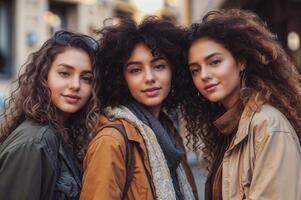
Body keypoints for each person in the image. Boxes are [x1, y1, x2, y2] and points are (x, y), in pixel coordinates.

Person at [182, 9, 301, 200]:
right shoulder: (230, 127)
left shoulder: (268, 125)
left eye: (215, 62)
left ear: (241, 62)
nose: (204, 75)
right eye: (195, 70)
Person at [80, 17, 198, 200]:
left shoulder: (168, 131)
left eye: (159, 66)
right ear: (121, 78)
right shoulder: (111, 141)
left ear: (173, 70)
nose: (149, 77)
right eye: (135, 70)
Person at [0, 30, 99, 200]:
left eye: (86, 78)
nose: (75, 85)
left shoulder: (64, 133)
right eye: (64, 73)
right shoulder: (35, 142)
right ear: (44, 76)